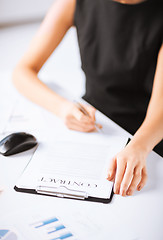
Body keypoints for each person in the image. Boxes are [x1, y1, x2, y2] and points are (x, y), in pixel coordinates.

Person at [12, 0, 163, 197]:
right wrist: (63, 108)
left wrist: (138, 147)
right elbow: (22, 71)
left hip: (149, 136)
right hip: (94, 126)